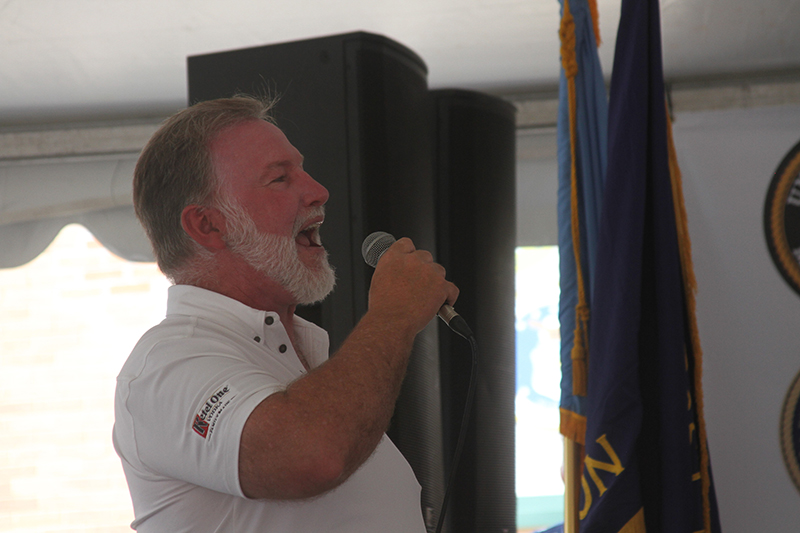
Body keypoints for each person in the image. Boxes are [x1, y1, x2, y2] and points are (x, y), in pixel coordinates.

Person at [112, 96, 459, 532]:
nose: (318, 191)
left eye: (303, 170)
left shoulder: (306, 353)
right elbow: (313, 456)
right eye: (280, 178)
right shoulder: (165, 368)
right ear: (208, 225)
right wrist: (392, 316)